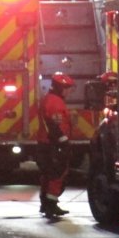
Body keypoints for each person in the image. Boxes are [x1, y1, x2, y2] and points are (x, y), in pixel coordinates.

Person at [38, 72, 76, 219]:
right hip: (53, 145)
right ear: (60, 88)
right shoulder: (55, 102)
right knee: (57, 175)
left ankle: (47, 204)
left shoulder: (51, 100)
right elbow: (54, 126)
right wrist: (64, 142)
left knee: (49, 175)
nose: (69, 92)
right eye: (67, 88)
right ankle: (50, 204)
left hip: (48, 144)